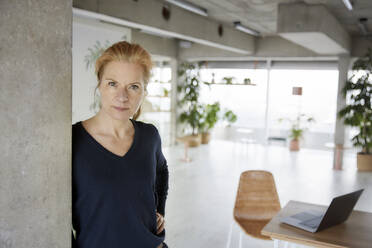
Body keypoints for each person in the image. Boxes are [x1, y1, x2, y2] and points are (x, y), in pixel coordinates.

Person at [72, 41, 169, 248]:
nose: (122, 97)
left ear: (144, 92)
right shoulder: (72, 141)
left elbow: (162, 171)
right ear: (99, 85)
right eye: (112, 84)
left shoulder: (150, 136)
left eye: (133, 87)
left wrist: (159, 209)